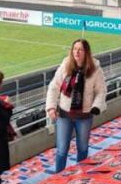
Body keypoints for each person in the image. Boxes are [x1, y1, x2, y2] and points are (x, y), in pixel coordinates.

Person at [45, 39, 107, 172]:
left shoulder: (95, 70)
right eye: (74, 49)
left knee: (83, 148)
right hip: (64, 115)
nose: (76, 52)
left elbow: (101, 91)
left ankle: (81, 177)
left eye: (80, 49)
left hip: (84, 116)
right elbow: (54, 87)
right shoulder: (65, 66)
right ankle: (59, 177)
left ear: (86, 52)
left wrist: (96, 106)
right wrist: (51, 107)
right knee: (61, 149)